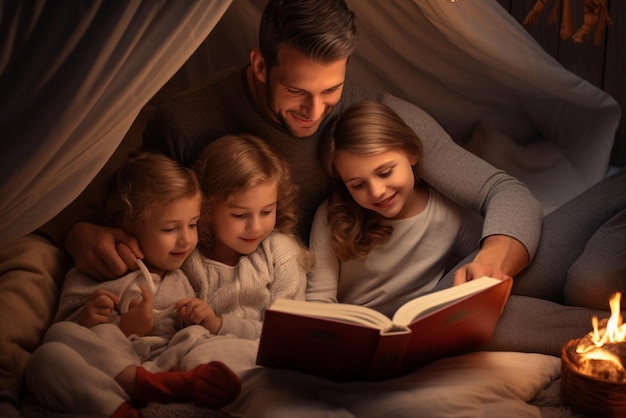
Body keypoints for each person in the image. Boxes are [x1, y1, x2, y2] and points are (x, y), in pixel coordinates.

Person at [66, 0, 542, 292]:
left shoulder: (371, 117)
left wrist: (490, 260)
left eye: (330, 89)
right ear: (259, 65)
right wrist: (79, 234)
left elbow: (505, 190)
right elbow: (121, 214)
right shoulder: (186, 122)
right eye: (296, 91)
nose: (315, 112)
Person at [24, 152, 242, 417]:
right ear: (127, 224)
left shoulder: (182, 277)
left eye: (193, 225)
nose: (186, 240)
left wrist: (196, 318)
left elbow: (183, 338)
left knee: (199, 338)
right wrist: (99, 324)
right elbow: (76, 342)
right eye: (170, 229)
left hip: (163, 365)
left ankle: (148, 386)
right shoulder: (95, 272)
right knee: (50, 350)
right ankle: (131, 401)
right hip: (107, 378)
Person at [307, 101, 484, 317]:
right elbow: (319, 299)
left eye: (385, 173)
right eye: (358, 185)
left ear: (411, 154)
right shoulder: (331, 215)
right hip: (354, 330)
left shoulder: (448, 211)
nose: (377, 192)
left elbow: (485, 260)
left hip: (422, 327)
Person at [181, 133, 312, 340]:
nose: (256, 227)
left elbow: (286, 331)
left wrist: (219, 325)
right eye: (240, 215)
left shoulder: (280, 252)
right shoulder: (190, 260)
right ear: (207, 209)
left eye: (267, 211)